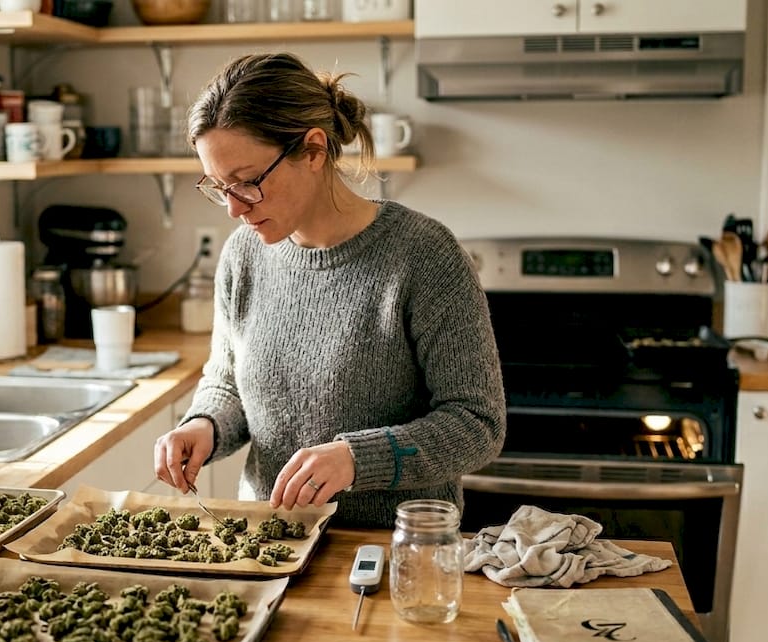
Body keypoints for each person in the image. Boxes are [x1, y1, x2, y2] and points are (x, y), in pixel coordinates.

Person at [152, 52, 506, 529]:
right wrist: (204, 426)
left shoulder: (423, 255)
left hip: (391, 550)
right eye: (218, 187)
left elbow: (477, 424)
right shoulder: (243, 256)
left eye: (246, 182)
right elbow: (228, 382)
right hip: (268, 542)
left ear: (314, 150)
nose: (234, 209)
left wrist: (357, 458)